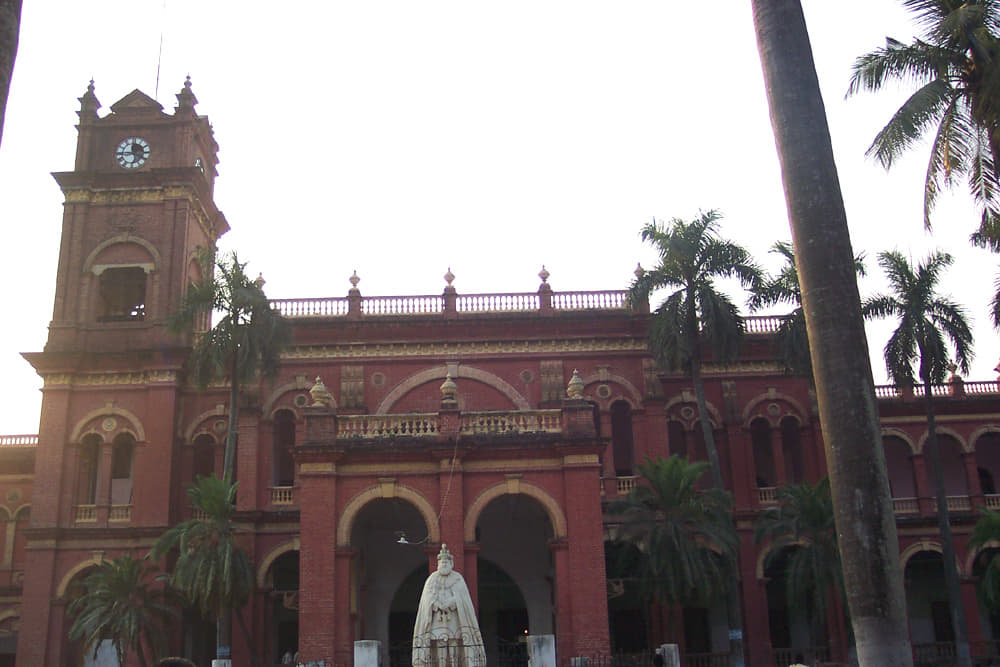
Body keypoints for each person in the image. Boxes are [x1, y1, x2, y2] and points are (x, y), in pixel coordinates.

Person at [412, 544, 486, 667]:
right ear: (438, 563)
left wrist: (451, 602)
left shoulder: (458, 579)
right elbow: (427, 599)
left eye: (446, 561)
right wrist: (437, 604)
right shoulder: (432, 579)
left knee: (454, 643)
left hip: (453, 620)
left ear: (451, 563)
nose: (444, 564)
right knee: (440, 644)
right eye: (442, 562)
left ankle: (455, 664)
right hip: (438, 620)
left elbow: (462, 599)